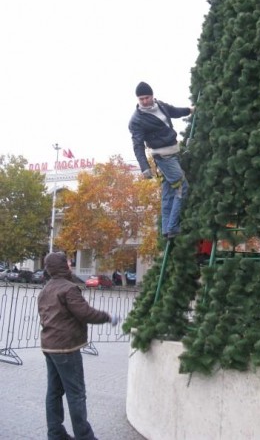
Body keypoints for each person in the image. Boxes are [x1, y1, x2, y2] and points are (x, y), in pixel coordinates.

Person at [37, 251, 118, 440]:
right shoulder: (69, 288)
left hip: (50, 347)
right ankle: (85, 436)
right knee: (76, 394)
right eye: (68, 262)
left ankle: (55, 434)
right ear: (63, 267)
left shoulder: (46, 289)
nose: (70, 264)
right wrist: (108, 317)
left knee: (54, 392)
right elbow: (85, 313)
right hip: (66, 349)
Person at [128, 81, 194, 239]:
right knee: (182, 187)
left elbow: (174, 111)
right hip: (163, 157)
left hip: (174, 152)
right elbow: (138, 145)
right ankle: (172, 228)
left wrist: (189, 110)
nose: (144, 101)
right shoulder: (136, 120)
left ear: (152, 96)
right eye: (141, 99)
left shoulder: (160, 105)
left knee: (168, 191)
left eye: (146, 97)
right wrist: (144, 167)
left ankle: (166, 229)